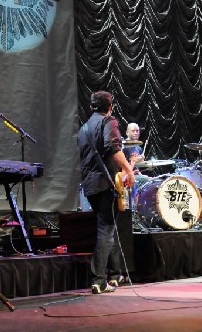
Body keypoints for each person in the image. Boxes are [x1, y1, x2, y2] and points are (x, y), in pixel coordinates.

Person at [77, 91, 135, 294]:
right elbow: (113, 148)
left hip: (90, 186)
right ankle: (99, 280)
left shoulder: (84, 128)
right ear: (109, 107)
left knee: (108, 228)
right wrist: (128, 170)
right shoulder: (109, 121)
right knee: (106, 230)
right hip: (105, 183)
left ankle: (115, 273)